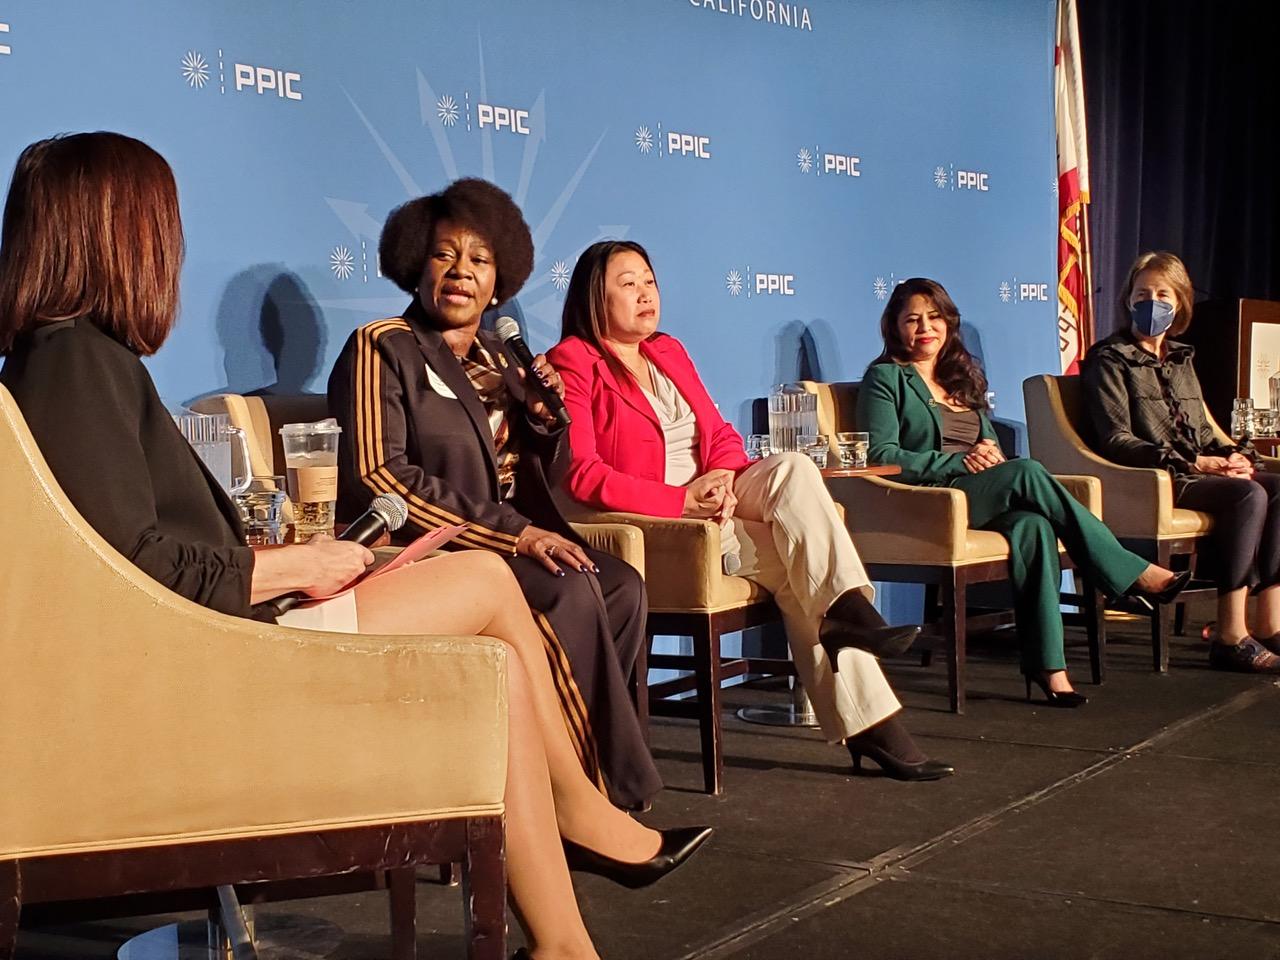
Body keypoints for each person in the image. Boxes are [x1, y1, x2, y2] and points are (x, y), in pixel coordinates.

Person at [0, 132, 709, 960]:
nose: (174, 245)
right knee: (484, 577)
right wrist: (296, 566)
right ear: (117, 231)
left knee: (504, 655)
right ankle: (581, 812)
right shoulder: (74, 362)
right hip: (209, 657)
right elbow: (135, 571)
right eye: (162, 222)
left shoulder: (84, 357)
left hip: (218, 632)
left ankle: (564, 941)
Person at [547, 240, 953, 781]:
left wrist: (722, 478)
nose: (646, 293)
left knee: (792, 469)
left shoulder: (668, 352)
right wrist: (681, 499)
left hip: (716, 497)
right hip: (661, 521)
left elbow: (718, 433)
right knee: (797, 570)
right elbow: (581, 473)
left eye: (649, 280)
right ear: (594, 296)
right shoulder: (574, 361)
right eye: (628, 284)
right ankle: (871, 719)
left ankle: (847, 612)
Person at [327, 180, 661, 809]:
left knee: (619, 586)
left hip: (509, 537)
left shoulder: (498, 356)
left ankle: (552, 774)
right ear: (414, 265)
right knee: (570, 591)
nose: (461, 273)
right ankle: (587, 795)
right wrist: (514, 535)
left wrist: (541, 418)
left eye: (479, 260)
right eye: (444, 255)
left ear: (499, 278)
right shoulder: (383, 346)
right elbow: (381, 476)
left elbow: (530, 467)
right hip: (433, 550)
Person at [859, 277, 1191, 706]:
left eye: (934, 317)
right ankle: (1126, 571)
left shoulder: (960, 376)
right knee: (1028, 471)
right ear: (895, 328)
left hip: (979, 489)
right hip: (932, 500)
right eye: (912, 319)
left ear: (949, 322)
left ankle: (1049, 669)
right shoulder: (886, 377)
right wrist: (957, 462)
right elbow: (881, 454)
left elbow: (980, 440)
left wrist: (988, 448)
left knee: (1033, 526)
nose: (925, 327)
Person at [1081, 252, 1280, 673]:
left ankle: (1269, 622)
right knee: (1248, 495)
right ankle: (1229, 634)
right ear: (1128, 300)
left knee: (1269, 484)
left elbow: (1205, 430)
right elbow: (1116, 440)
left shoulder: (1181, 358)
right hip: (1158, 477)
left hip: (1197, 468)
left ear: (1181, 304)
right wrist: (1196, 462)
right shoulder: (1109, 358)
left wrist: (1235, 456)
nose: (1150, 303)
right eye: (1142, 294)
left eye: (1162, 294)